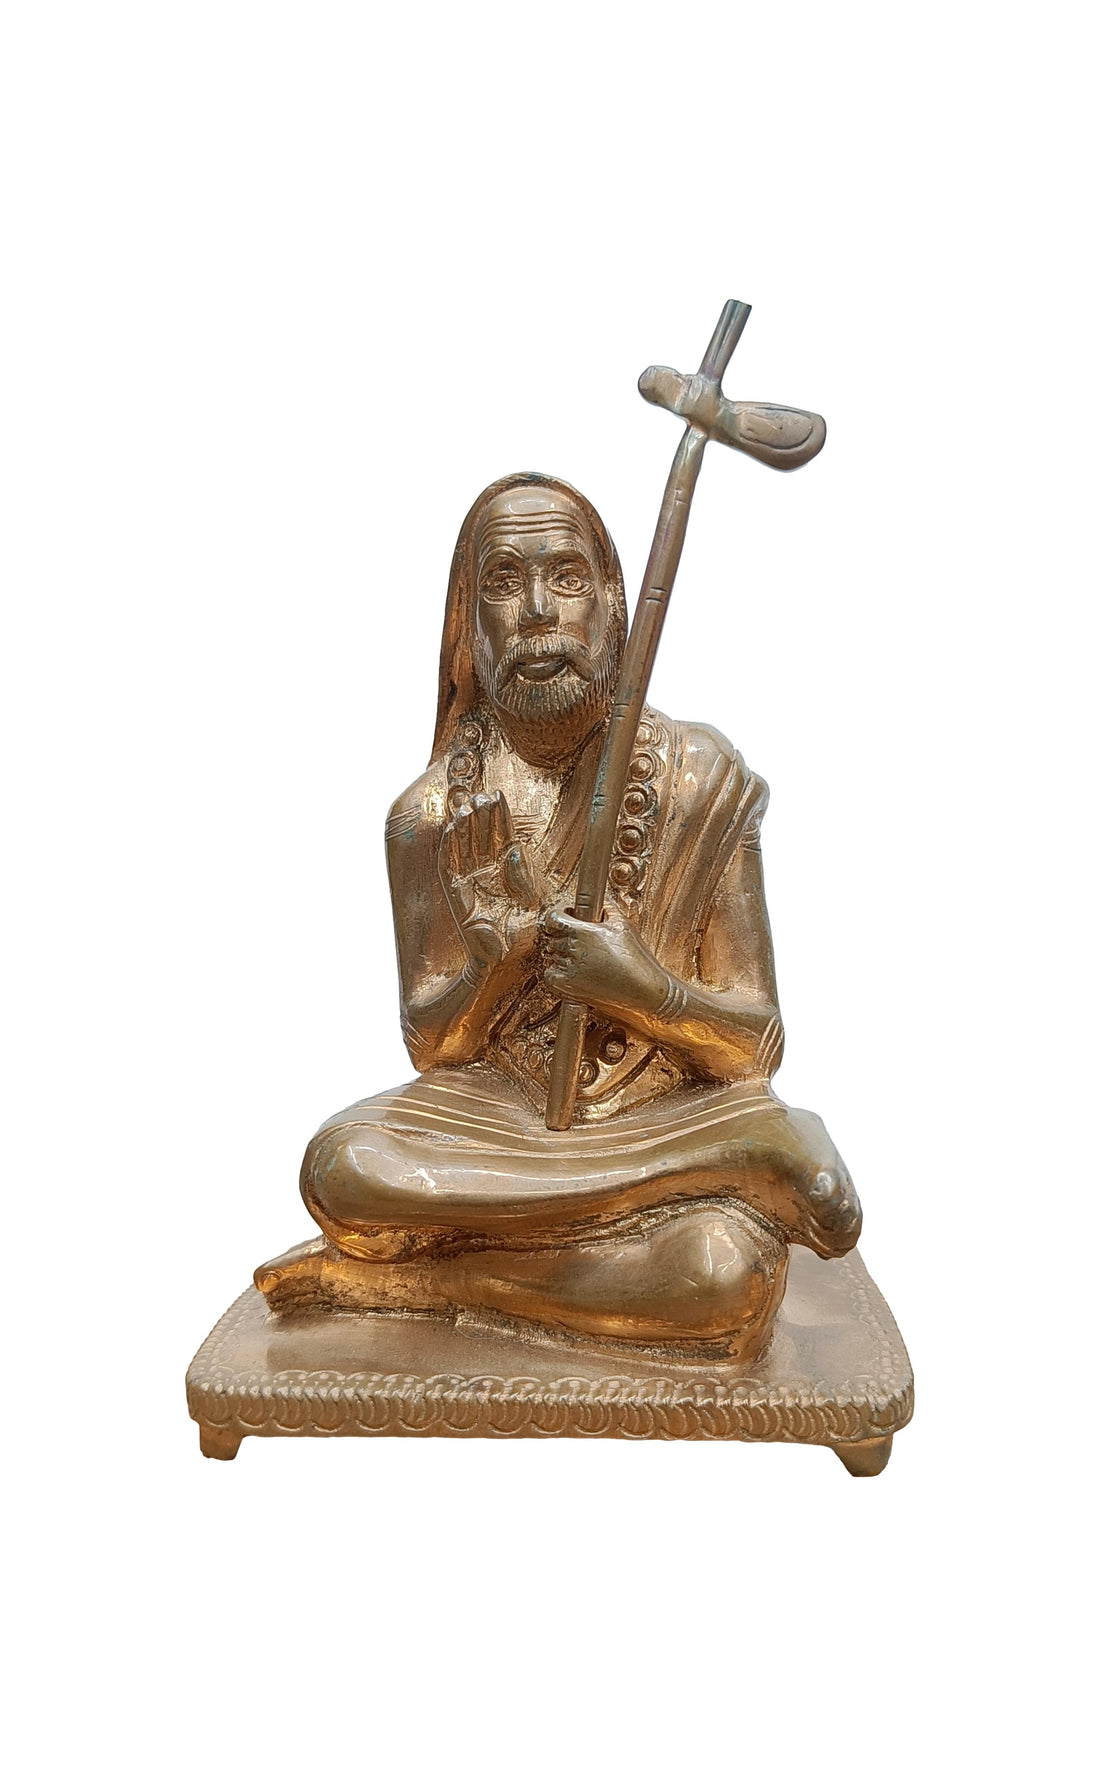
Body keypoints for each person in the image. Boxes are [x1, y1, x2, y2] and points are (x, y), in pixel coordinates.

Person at [257, 473, 861, 1352]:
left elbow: (754, 1042)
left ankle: (424, 1270)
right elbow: (433, 1045)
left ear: (613, 607)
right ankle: (450, 1279)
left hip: (664, 1113)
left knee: (723, 1274)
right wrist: (490, 969)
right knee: (342, 1168)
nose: (538, 612)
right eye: (504, 582)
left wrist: (646, 989)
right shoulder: (430, 815)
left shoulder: (700, 778)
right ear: (469, 627)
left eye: (567, 577)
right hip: (501, 1125)